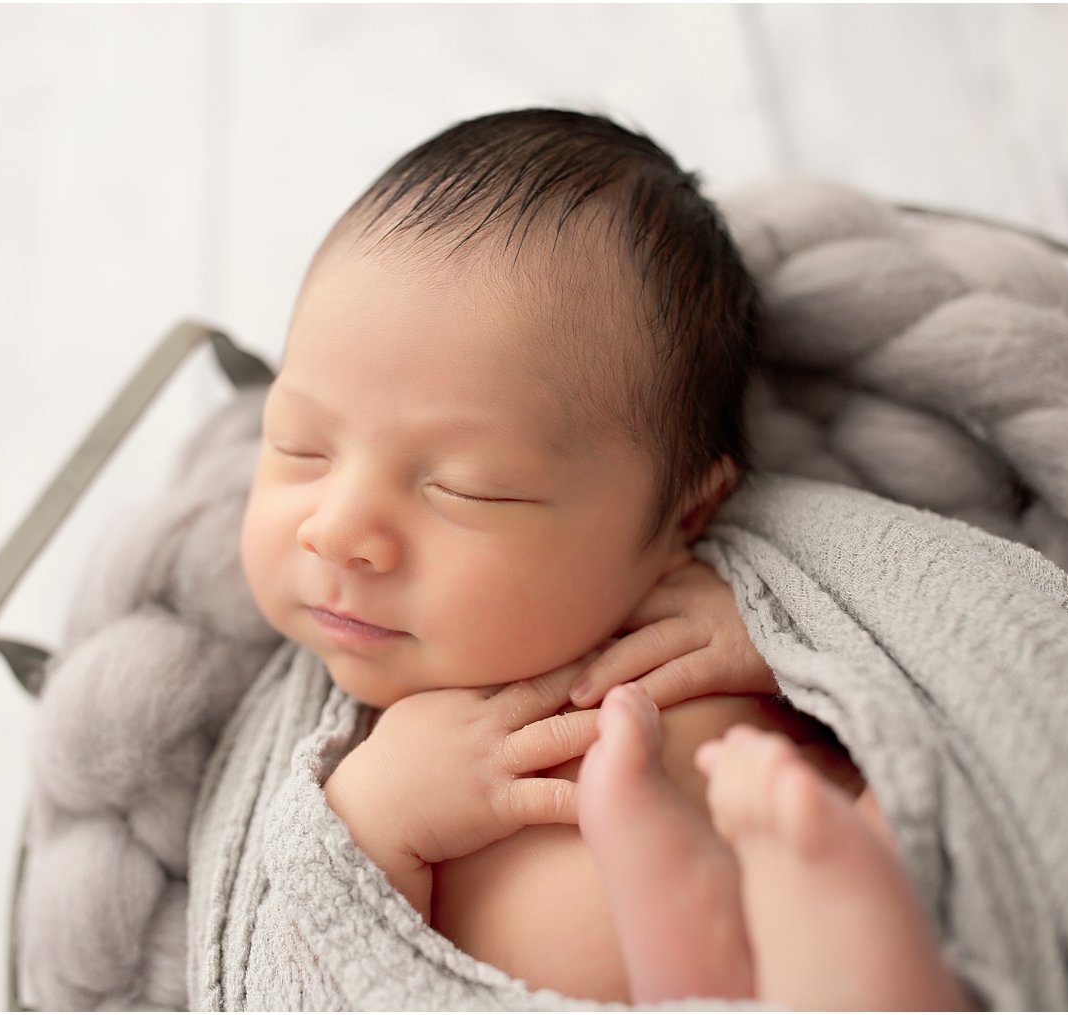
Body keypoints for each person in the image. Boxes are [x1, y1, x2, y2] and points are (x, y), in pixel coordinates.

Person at [239, 107, 966, 1008]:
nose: (336, 528)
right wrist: (370, 824)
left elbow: (976, 665)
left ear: (684, 515)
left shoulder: (739, 610)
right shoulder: (340, 763)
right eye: (298, 445)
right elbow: (292, 974)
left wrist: (796, 640)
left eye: (468, 487)